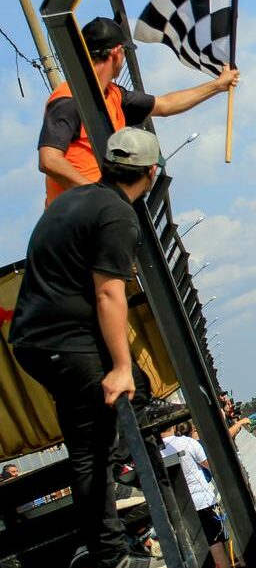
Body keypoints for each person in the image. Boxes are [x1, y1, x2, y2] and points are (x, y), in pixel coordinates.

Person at [9, 127, 164, 568]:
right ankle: (109, 555)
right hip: (65, 342)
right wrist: (116, 364)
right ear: (149, 173)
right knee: (89, 448)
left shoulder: (73, 201)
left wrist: (125, 371)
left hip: (36, 340)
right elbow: (108, 294)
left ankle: (111, 489)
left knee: (138, 385)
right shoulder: (117, 215)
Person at [38, 16, 240, 207]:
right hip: (74, 217)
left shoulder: (115, 94)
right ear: (117, 52)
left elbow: (165, 104)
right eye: (125, 52)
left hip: (95, 213)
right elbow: (49, 160)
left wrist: (218, 85)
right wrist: (100, 197)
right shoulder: (70, 98)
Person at [160, 425, 229, 568]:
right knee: (216, 543)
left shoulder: (153, 453)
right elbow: (210, 466)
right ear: (173, 426)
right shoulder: (189, 442)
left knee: (193, 549)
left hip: (178, 510)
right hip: (204, 502)